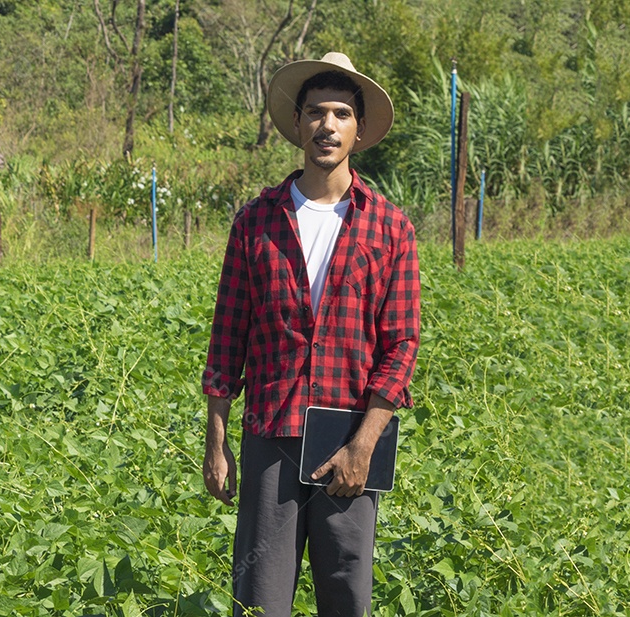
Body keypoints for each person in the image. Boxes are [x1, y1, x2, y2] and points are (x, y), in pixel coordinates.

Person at [201, 52, 420, 617]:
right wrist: (216, 441)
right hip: (272, 432)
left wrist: (363, 446)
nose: (328, 125)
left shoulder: (389, 227)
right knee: (261, 598)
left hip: (348, 438)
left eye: (342, 113)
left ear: (359, 129)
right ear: (298, 122)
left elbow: (401, 346)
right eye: (317, 112)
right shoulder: (256, 221)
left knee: (346, 596)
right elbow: (228, 337)